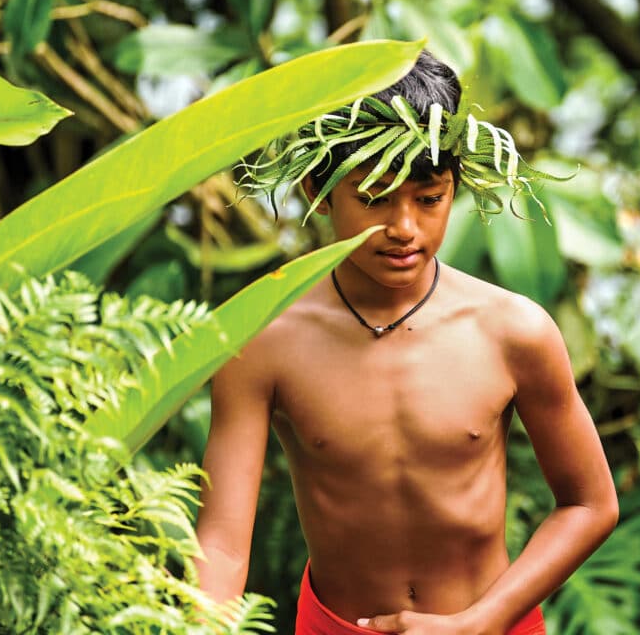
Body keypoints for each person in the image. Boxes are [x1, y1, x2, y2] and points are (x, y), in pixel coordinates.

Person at [195, 50, 618, 635]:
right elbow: (220, 543)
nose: (404, 228)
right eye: (374, 197)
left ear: (455, 187)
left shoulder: (511, 331)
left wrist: (481, 622)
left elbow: (591, 504)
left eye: (429, 198)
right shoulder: (264, 342)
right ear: (320, 188)